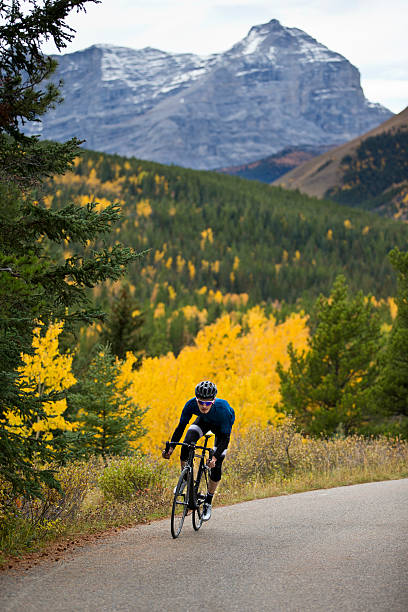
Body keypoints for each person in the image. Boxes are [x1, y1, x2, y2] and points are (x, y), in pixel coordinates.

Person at [162, 380, 235, 521]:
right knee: (186, 444)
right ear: (196, 399)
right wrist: (171, 448)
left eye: (207, 403)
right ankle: (185, 478)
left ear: (213, 401)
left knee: (217, 464)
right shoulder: (190, 405)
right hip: (204, 422)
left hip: (221, 429)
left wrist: (214, 458)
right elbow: (181, 427)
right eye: (200, 402)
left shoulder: (223, 409)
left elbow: (225, 438)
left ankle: (208, 501)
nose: (203, 405)